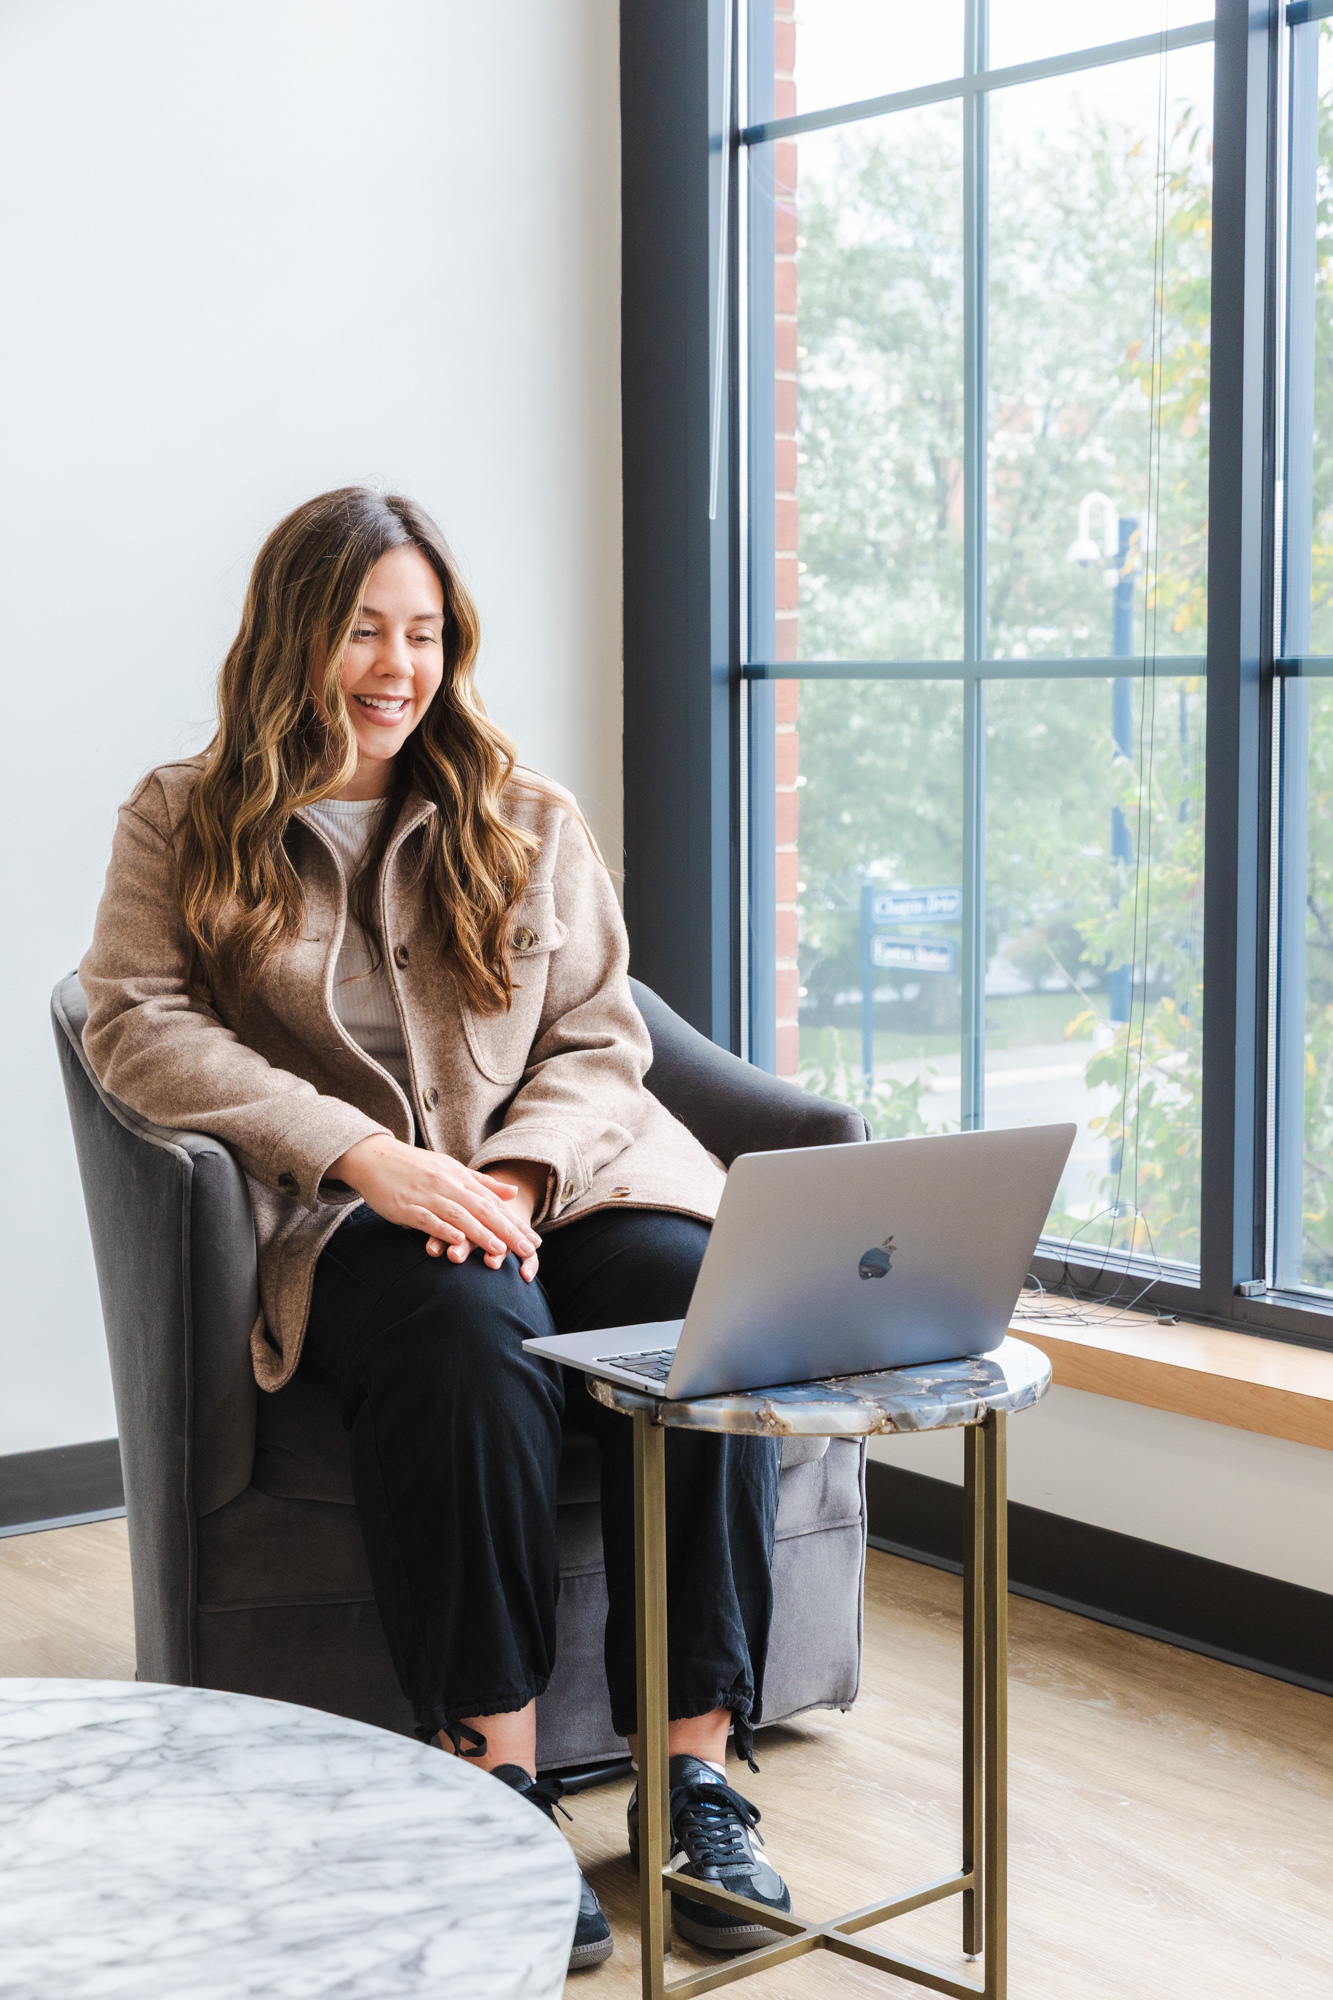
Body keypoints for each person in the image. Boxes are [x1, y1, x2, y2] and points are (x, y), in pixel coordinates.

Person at [80, 487, 791, 1972]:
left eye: (422, 634)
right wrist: (358, 1154)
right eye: (362, 630)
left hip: (566, 1187)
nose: (396, 666)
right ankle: (496, 1777)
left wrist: (522, 1179)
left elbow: (603, 1037)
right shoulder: (182, 815)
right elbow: (131, 1023)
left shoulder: (526, 815)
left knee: (701, 1314)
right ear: (295, 636)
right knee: (472, 1339)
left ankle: (698, 1772)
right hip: (347, 1213)